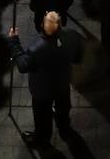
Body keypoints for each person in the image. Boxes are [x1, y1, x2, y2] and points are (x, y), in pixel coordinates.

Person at [8, 10, 83, 150]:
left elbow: (23, 65)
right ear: (60, 23)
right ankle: (64, 127)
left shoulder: (37, 48)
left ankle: (42, 138)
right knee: (63, 107)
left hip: (42, 91)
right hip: (62, 84)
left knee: (42, 117)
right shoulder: (72, 36)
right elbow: (78, 58)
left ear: (42, 25)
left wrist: (14, 42)